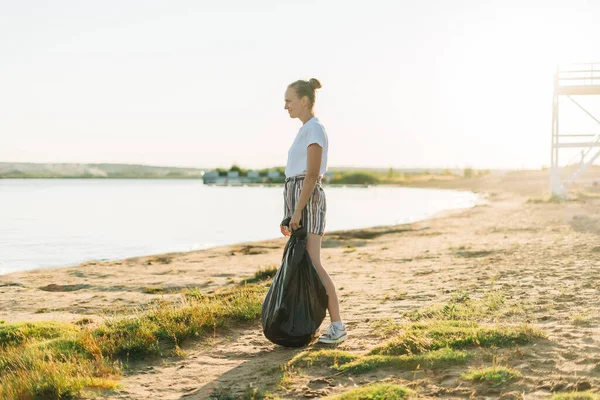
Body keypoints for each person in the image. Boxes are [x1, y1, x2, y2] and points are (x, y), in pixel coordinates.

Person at [280, 78, 347, 344]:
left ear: (304, 101)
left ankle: (338, 325)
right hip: (298, 199)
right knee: (304, 264)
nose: (285, 106)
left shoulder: (315, 129)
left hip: (307, 199)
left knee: (314, 263)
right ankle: (310, 322)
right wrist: (289, 214)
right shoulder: (305, 129)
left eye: (289, 100)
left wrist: (298, 211)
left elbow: (310, 175)